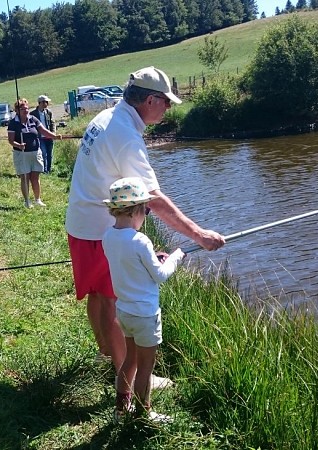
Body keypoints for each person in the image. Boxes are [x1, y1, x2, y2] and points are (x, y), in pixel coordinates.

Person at [64, 66, 225, 381]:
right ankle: (132, 377)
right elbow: (154, 199)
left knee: (98, 294)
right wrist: (200, 235)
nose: (168, 108)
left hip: (82, 222)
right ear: (151, 100)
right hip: (103, 229)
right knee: (115, 300)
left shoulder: (108, 117)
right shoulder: (125, 135)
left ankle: (108, 356)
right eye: (166, 102)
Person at [102, 177, 185, 424]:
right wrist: (175, 257)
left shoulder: (108, 236)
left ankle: (120, 411)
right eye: (146, 211)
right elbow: (159, 276)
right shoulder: (140, 241)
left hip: (124, 312)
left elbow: (130, 264)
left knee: (130, 360)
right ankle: (144, 413)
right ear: (136, 210)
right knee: (146, 366)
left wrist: (153, 258)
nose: (146, 215)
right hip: (146, 315)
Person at [7, 97, 61, 208]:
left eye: (27, 108)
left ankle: (38, 199)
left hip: (35, 152)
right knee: (25, 177)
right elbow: (11, 140)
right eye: (23, 109)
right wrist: (18, 145)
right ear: (17, 111)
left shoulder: (33, 119)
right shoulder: (13, 123)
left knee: (35, 177)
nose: (26, 111)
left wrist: (54, 136)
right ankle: (27, 201)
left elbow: (43, 131)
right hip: (21, 154)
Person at [29, 95, 56, 174]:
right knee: (43, 153)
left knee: (49, 154)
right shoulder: (33, 114)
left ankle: (49, 169)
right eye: (45, 102)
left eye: (47, 102)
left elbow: (52, 123)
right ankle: (44, 170)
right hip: (40, 138)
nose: (47, 104)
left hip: (49, 137)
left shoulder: (48, 112)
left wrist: (53, 133)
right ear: (40, 103)